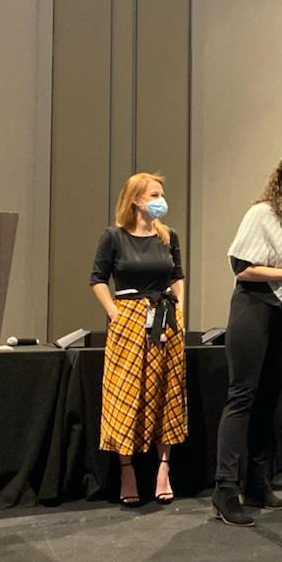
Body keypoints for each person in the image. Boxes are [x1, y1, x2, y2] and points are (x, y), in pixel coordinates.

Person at [211, 153, 282, 527]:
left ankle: (257, 484)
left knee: (268, 401)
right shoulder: (261, 214)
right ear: (280, 181)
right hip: (254, 306)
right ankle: (224, 490)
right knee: (242, 397)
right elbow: (243, 269)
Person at [90, 172, 187, 506]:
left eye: (162, 194)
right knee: (126, 392)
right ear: (135, 200)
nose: (160, 200)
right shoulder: (114, 236)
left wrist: (179, 310)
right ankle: (127, 469)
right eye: (153, 195)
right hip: (129, 318)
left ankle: (164, 468)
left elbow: (176, 276)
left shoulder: (168, 236)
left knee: (166, 391)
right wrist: (114, 313)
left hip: (164, 318)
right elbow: (98, 279)